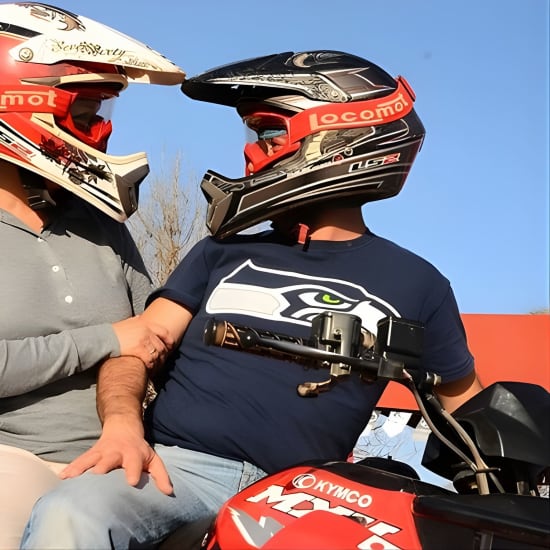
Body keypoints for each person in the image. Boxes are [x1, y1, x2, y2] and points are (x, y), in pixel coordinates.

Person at [21, 50, 483, 549]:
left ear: (340, 138)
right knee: (71, 513)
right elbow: (142, 342)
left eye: (268, 134)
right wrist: (121, 425)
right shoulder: (222, 252)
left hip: (315, 495)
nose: (250, 152)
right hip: (176, 469)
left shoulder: (418, 282)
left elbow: (473, 412)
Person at [0, 3, 185, 547]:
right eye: (84, 113)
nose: (101, 130)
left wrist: (124, 423)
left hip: (123, 458)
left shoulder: (102, 226)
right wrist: (105, 339)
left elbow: (145, 342)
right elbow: (124, 336)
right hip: (15, 458)